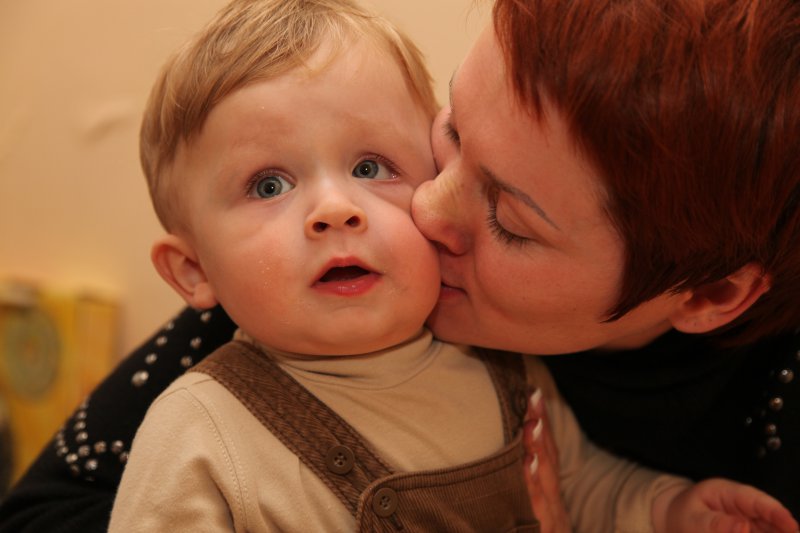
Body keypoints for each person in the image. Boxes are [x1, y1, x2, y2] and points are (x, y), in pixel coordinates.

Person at [0, 0, 798, 530]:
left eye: (510, 218)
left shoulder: (505, 381)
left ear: (711, 294)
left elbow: (587, 484)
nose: (427, 208)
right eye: (452, 135)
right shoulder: (233, 382)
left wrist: (670, 511)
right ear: (193, 270)